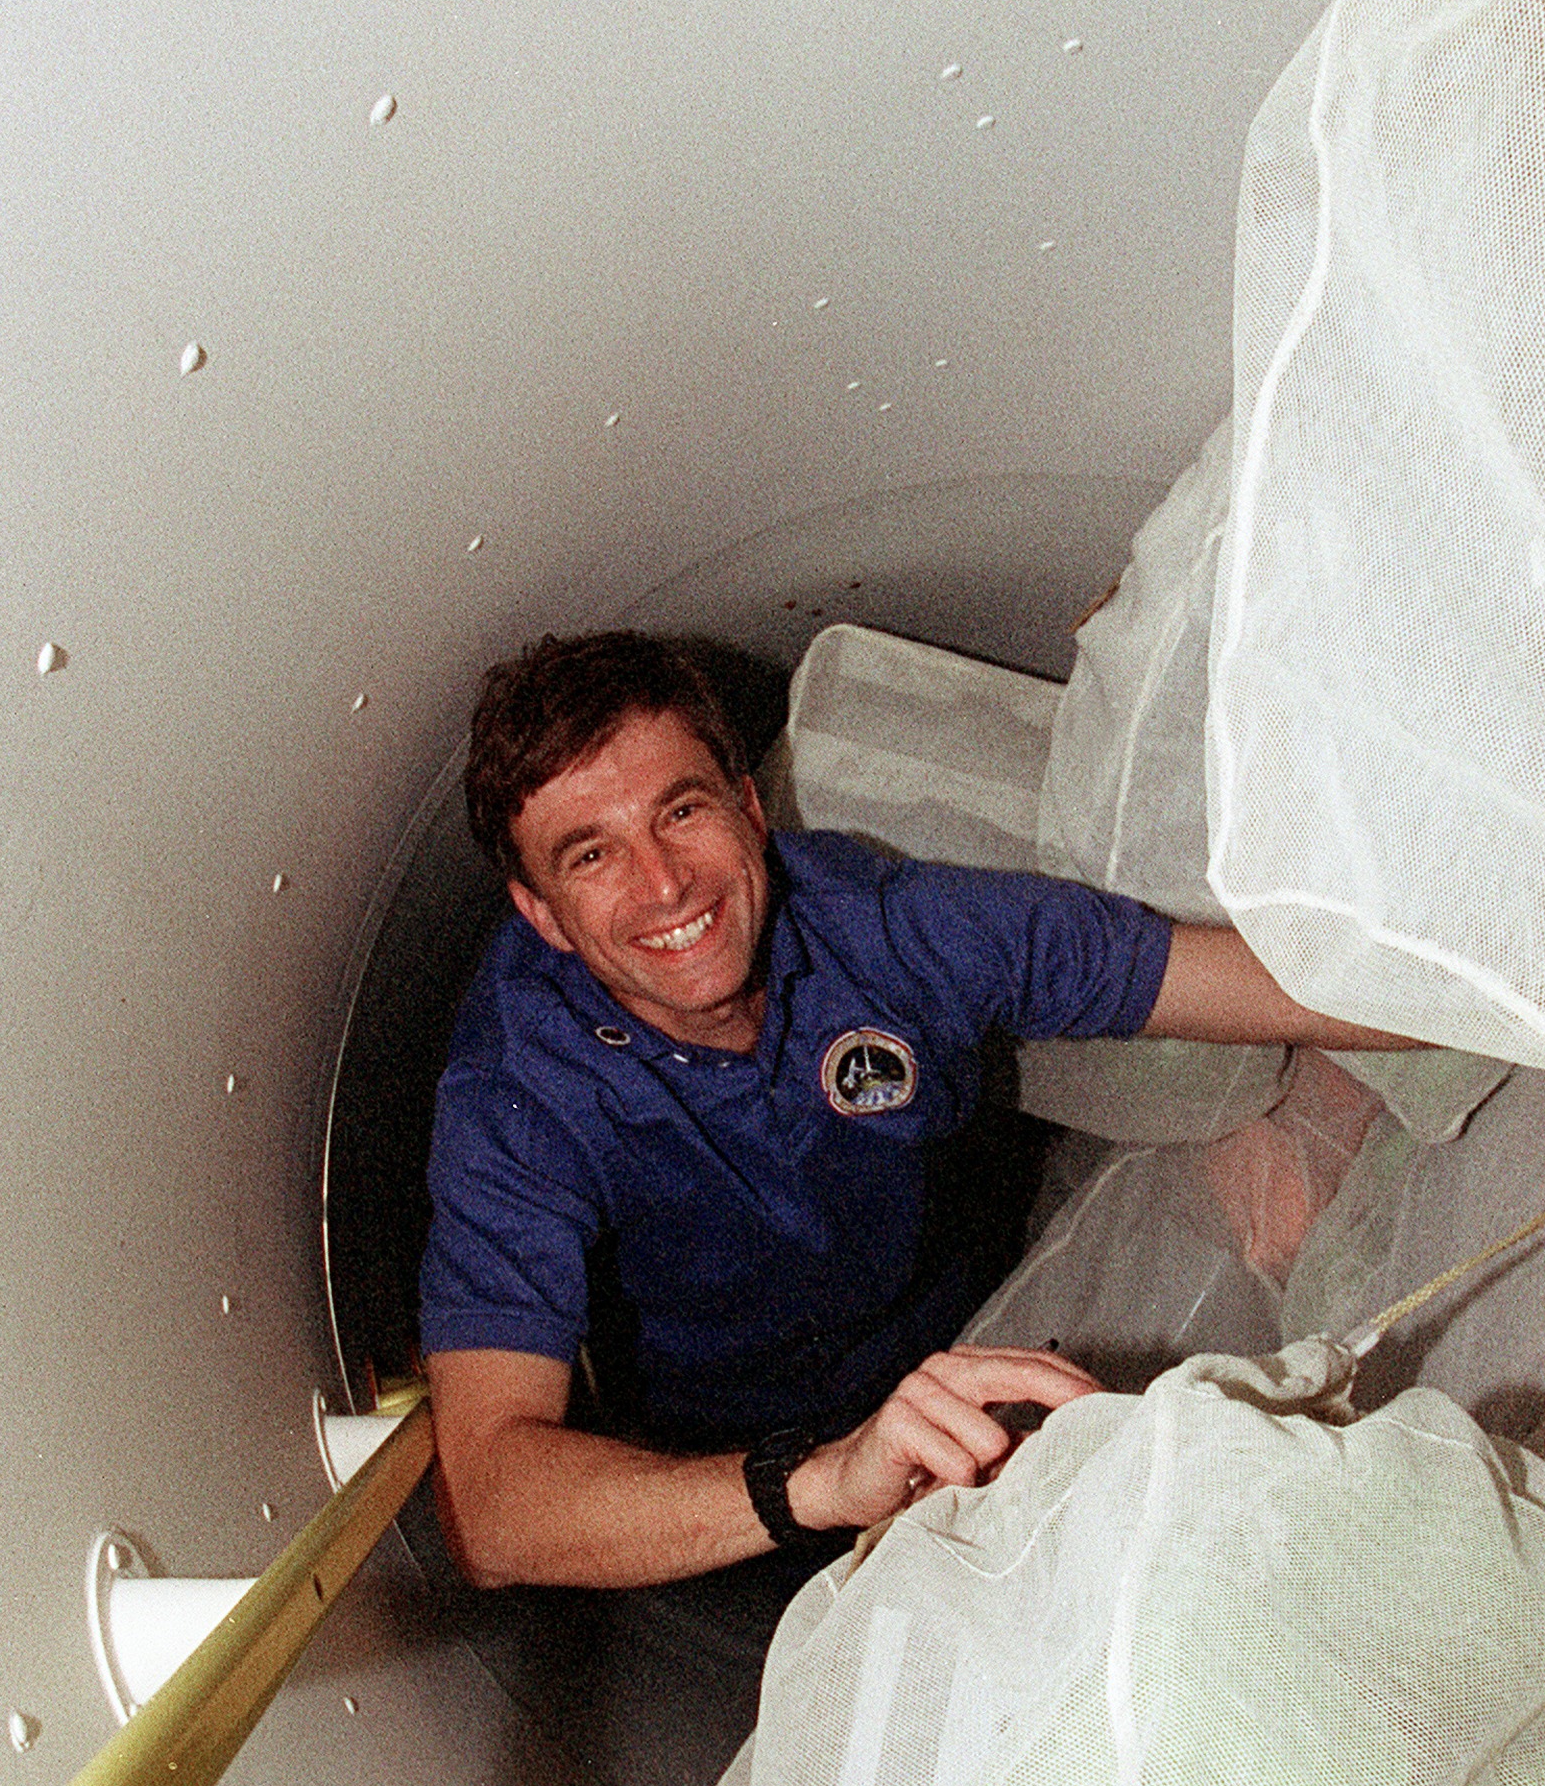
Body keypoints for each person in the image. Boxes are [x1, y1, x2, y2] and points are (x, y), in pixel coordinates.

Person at [421, 629, 1415, 1595]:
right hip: (736, 1470)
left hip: (984, 1329)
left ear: (751, 809)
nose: (663, 882)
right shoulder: (522, 1098)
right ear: (541, 915)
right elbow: (492, 1513)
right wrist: (819, 1482)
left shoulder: (884, 929)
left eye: (681, 812)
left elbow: (1270, 985)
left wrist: (1544, 1000)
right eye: (591, 857)